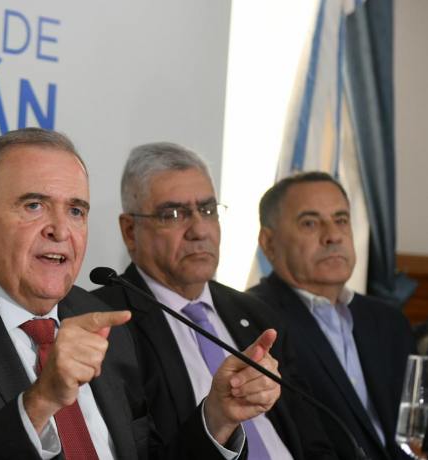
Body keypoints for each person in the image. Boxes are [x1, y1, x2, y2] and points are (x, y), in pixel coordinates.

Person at [0, 128, 282, 459]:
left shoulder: (98, 318)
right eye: (34, 205)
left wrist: (217, 417)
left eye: (76, 210)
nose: (60, 230)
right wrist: (41, 402)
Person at [92, 142, 337, 459]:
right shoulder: (106, 324)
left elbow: (314, 440)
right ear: (130, 231)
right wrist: (216, 421)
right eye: (173, 214)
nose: (199, 230)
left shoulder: (257, 314)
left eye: (207, 210)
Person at [249, 171, 415, 460]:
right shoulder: (253, 322)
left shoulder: (388, 321)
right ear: (269, 243)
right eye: (310, 223)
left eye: (341, 220)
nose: (333, 236)